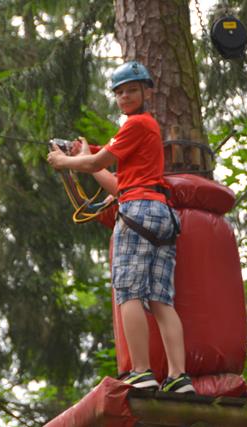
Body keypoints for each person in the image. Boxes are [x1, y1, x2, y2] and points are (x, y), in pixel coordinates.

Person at [47, 60, 195, 394]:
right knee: (160, 299)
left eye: (131, 90)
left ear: (146, 92)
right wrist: (84, 155)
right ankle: (178, 377)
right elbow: (117, 184)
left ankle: (141, 371)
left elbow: (96, 163)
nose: (125, 96)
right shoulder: (145, 131)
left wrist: (64, 161)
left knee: (129, 292)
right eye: (120, 92)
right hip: (161, 214)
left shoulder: (136, 124)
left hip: (138, 213)